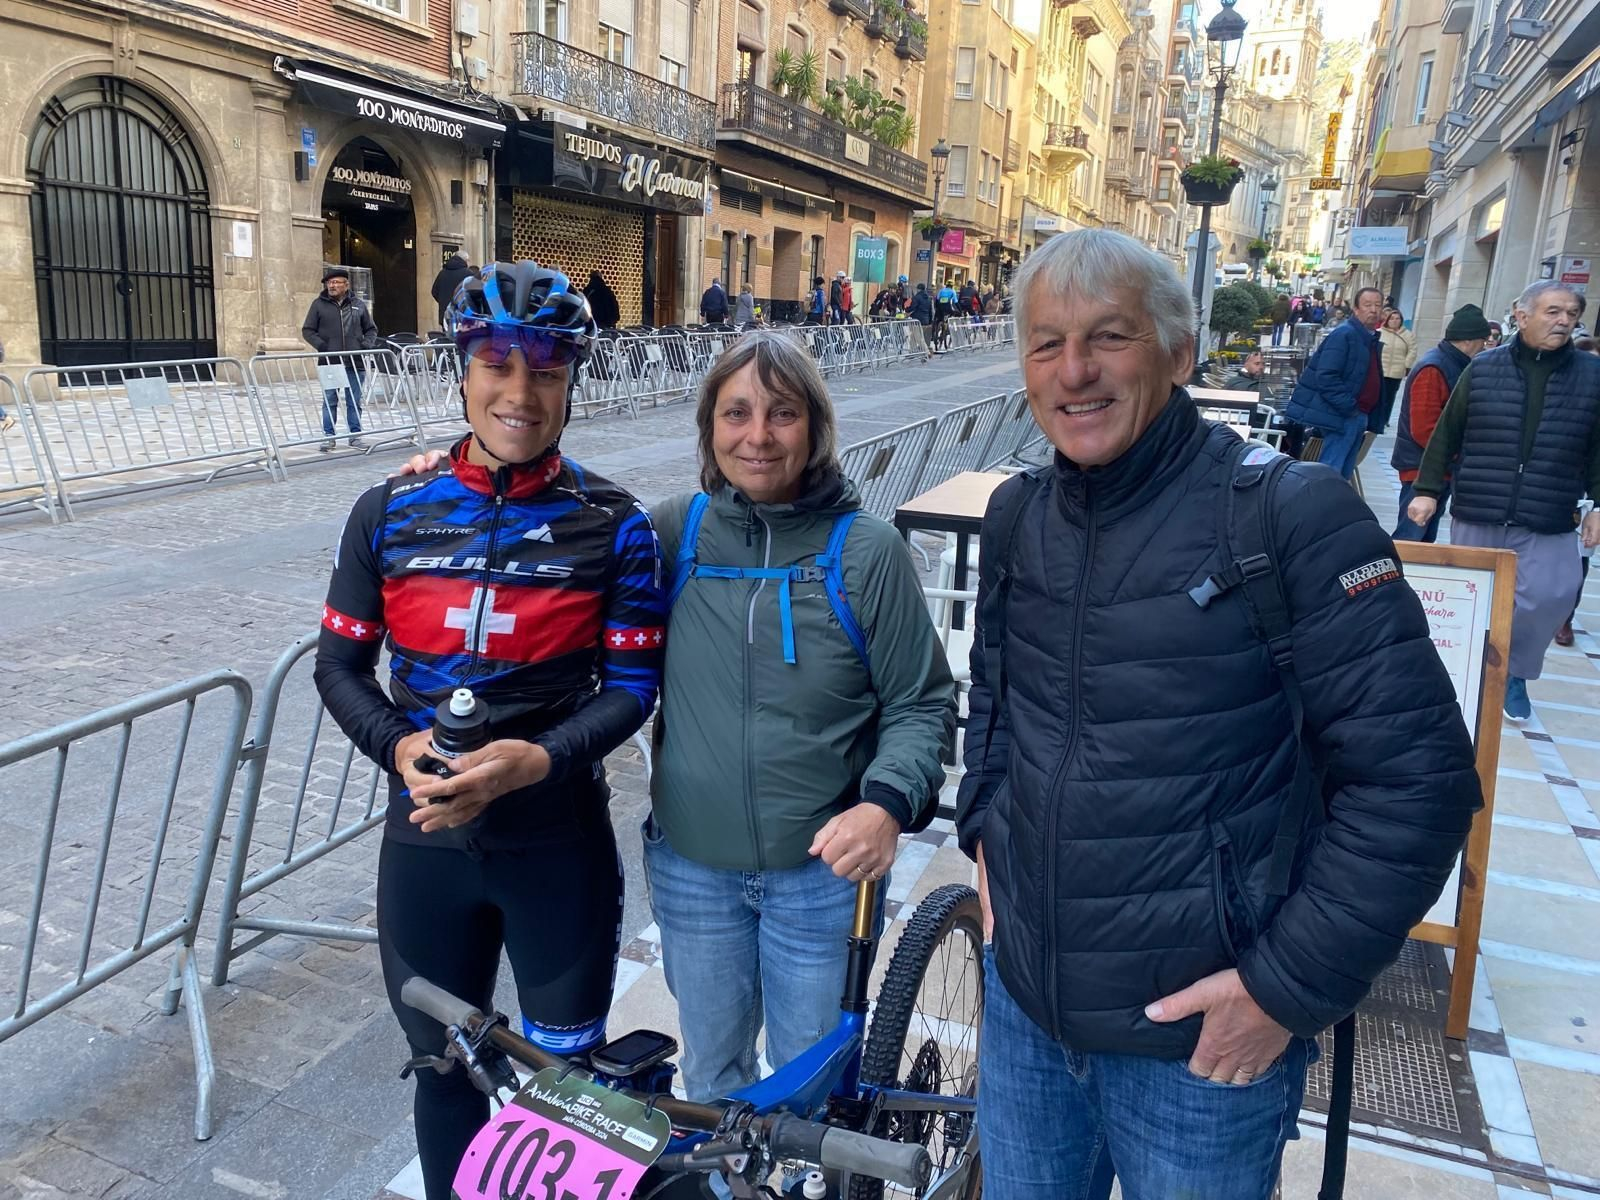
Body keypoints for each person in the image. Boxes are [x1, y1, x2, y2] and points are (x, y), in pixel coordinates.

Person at [959, 228, 1480, 1200]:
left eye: (1107, 338)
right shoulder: (1018, 516)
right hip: (1027, 1014)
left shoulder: (1289, 517)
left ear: (1178, 353)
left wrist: (1283, 991)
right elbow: (996, 693)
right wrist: (983, 828)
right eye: (1045, 343)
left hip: (1200, 1042)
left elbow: (1419, 782)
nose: (1073, 371)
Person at [315, 261, 665, 1200]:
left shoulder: (616, 525)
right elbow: (338, 667)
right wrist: (396, 746)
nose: (521, 392)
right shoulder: (388, 510)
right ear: (461, 370)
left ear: (572, 383)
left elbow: (634, 686)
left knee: (567, 1095)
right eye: (500, 364)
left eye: (547, 371)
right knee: (441, 1072)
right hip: (425, 843)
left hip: (556, 846)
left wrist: (539, 759)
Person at [645, 330, 955, 1104]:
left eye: (781, 414)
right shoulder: (675, 533)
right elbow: (565, 535)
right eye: (736, 413)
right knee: (710, 1081)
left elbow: (922, 702)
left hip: (819, 881)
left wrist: (885, 803)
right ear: (710, 429)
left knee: (808, 1094)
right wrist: (463, 467)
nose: (757, 436)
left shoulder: (866, 552)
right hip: (694, 869)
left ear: (814, 427)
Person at [1407, 280, 1600, 720]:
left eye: (1571, 313)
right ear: (1522, 315)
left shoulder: (1592, 375)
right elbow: (1447, 432)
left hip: (1549, 510)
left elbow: (1598, 447)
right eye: (1553, 311)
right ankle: (1464, 671)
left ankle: (1512, 671)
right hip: (1481, 504)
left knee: (1552, 594)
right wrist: (1427, 491)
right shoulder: (1485, 367)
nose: (1563, 321)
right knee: (1470, 598)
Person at [1389, 304, 1490, 544]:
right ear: (1467, 341)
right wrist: (1455, 455)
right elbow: (1424, 428)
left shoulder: (1452, 363)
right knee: (1411, 536)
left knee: (1423, 537)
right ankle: (1394, 579)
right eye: (1482, 341)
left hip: (1436, 466)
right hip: (1422, 468)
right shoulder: (1434, 367)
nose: (1484, 346)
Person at [1284, 286, 1386, 479]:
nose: (1373, 309)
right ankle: (1319, 509)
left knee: (1341, 474)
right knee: (1331, 474)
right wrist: (1350, 408)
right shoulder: (1345, 335)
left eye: (1377, 305)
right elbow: (1326, 376)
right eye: (1367, 305)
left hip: (1356, 414)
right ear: (1356, 309)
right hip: (1343, 414)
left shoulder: (1367, 338)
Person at [301, 267, 377, 452]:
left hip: (355, 361)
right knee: (330, 400)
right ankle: (329, 436)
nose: (332, 286)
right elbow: (308, 330)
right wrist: (322, 346)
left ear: (346, 284)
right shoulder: (318, 305)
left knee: (354, 400)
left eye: (336, 282)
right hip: (330, 361)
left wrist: (366, 345)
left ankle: (355, 436)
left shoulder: (358, 304)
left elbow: (371, 329)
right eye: (329, 283)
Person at [1376, 309, 1418, 434]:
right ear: (1387, 320)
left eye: (1397, 318)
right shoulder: (1379, 333)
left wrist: (1406, 365)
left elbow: (1412, 351)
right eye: (1392, 318)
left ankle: (1384, 419)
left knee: (1390, 396)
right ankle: (1376, 418)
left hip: (1396, 371)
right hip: (1380, 370)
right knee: (1378, 395)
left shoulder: (1408, 335)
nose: (1394, 321)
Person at [430, 253, 474, 328]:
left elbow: (434, 291)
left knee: (446, 337)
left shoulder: (442, 273)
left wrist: (443, 301)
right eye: (468, 260)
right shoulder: (468, 273)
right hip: (462, 315)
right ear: (465, 260)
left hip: (445, 314)